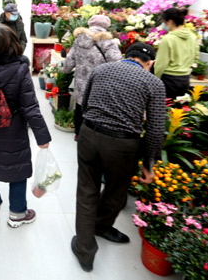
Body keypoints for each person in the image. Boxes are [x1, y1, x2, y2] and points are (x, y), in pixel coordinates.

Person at [71, 42, 166, 273]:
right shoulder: (154, 83)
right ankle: (102, 226)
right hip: (123, 145)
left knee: (87, 190)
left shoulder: (100, 70)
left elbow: (83, 104)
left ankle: (85, 249)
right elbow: (155, 129)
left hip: (90, 135)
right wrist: (148, 163)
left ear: (126, 55)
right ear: (150, 63)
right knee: (116, 189)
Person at [0, 24, 52, 227]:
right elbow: (30, 106)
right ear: (12, 44)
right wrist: (43, 137)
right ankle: (17, 213)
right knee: (17, 170)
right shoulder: (20, 69)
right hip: (13, 128)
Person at [62, 15, 122, 138]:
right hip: (99, 84)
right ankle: (91, 137)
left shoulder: (79, 39)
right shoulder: (108, 42)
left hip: (81, 83)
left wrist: (65, 70)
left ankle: (78, 134)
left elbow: (70, 59)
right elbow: (117, 64)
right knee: (95, 109)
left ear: (90, 24)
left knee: (79, 107)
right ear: (106, 26)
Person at [154, 7, 199, 99]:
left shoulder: (168, 39)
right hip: (185, 79)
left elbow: (160, 64)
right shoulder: (192, 36)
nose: (163, 24)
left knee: (166, 110)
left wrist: (155, 79)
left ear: (170, 22)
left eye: (163, 21)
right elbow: (196, 57)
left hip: (169, 80)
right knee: (179, 109)